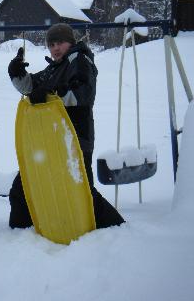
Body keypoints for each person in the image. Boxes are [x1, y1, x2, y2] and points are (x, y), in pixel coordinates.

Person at [7, 23, 125, 229]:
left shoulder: (80, 61)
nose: (55, 48)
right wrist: (16, 73)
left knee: (83, 191)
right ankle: (22, 230)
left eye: (60, 42)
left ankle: (116, 228)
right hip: (53, 138)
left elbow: (82, 94)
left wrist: (50, 95)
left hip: (75, 138)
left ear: (71, 42)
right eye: (51, 44)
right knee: (24, 186)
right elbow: (33, 87)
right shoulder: (57, 67)